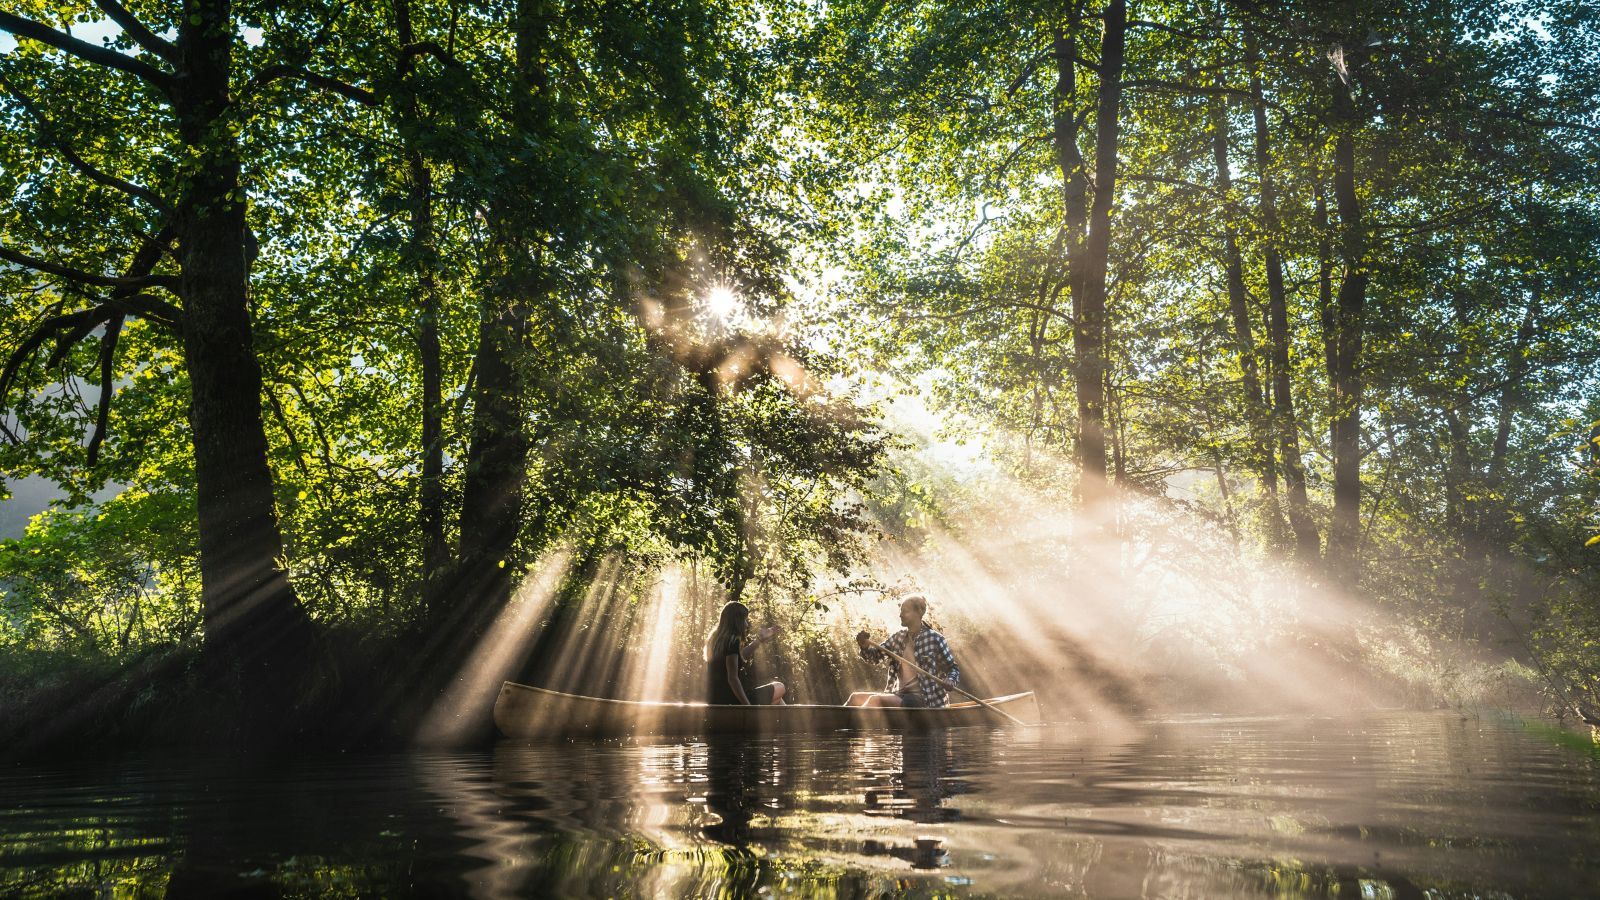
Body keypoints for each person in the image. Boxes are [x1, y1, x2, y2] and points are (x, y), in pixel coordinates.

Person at [846, 593, 960, 708]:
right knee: (855, 697)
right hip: (901, 695)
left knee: (876, 700)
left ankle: (855, 724)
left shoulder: (935, 639)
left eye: (905, 611)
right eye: (901, 611)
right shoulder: (898, 638)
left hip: (924, 700)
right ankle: (838, 722)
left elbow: (953, 668)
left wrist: (950, 680)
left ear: (919, 612)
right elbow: (874, 658)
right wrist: (864, 646)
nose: (900, 615)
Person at [705, 601, 786, 705]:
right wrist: (747, 707)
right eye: (745, 620)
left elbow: (740, 657)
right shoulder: (732, 641)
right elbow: (733, 679)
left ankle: (786, 722)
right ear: (737, 621)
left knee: (778, 701)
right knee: (780, 687)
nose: (746, 624)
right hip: (731, 701)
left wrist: (760, 640)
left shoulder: (716, 639)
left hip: (716, 700)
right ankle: (789, 722)